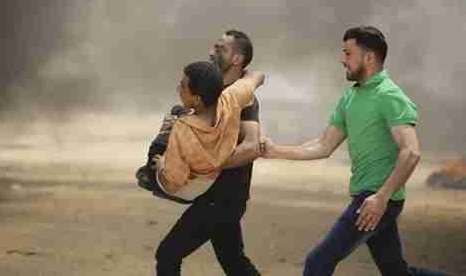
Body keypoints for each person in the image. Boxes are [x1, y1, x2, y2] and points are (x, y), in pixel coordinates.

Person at [261, 26, 450, 276]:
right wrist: (275, 151)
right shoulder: (350, 97)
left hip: (375, 200)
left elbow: (411, 152)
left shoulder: (390, 96)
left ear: (369, 57)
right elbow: (323, 145)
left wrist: (381, 198)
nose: (342, 60)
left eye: (348, 53)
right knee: (397, 272)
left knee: (317, 263)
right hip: (370, 197)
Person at [151, 30, 263, 275]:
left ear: (237, 59)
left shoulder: (242, 100)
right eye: (213, 47)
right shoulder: (208, 91)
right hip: (212, 196)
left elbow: (250, 147)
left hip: (224, 197)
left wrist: (205, 163)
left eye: (220, 49)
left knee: (168, 254)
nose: (211, 52)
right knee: (234, 262)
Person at [138, 60, 264, 202]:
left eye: (182, 86)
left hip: (186, 191)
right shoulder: (230, 98)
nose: (178, 89)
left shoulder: (184, 129)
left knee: (175, 114)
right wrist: (245, 74)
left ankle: (149, 175)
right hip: (208, 179)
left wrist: (162, 166)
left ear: (197, 99)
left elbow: (173, 184)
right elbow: (258, 77)